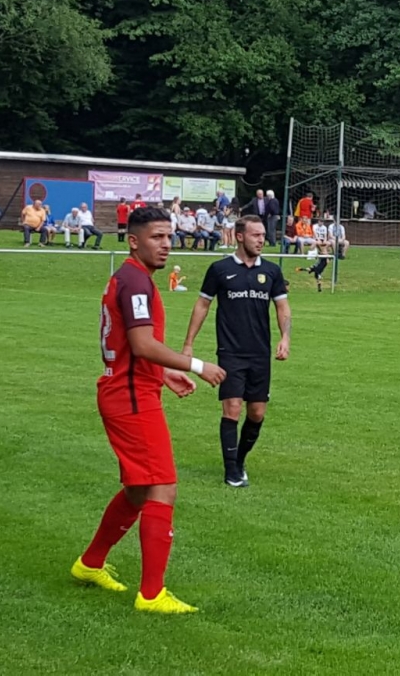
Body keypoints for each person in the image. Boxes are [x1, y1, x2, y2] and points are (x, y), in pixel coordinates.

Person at [71, 207, 226, 614]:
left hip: (129, 390)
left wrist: (163, 374)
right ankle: (152, 595)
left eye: (169, 237)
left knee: (139, 489)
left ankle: (90, 564)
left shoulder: (131, 278)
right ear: (133, 241)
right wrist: (196, 365)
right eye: (157, 237)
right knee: (162, 486)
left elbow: (131, 348)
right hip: (131, 398)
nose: (166, 244)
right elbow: (141, 345)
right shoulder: (136, 281)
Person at [182, 216, 291, 488]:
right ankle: (231, 471)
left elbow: (282, 307)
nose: (261, 240)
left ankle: (239, 460)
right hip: (230, 351)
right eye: (256, 235)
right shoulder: (220, 269)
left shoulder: (272, 271)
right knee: (232, 407)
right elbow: (202, 305)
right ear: (240, 236)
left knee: (257, 413)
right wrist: (189, 343)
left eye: (263, 235)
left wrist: (285, 337)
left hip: (260, 353)